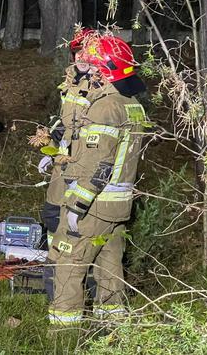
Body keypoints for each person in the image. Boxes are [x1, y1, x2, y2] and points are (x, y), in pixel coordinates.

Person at [48, 34, 147, 325]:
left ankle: (64, 335)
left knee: (68, 265)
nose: (87, 73)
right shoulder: (132, 105)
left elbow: (98, 164)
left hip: (94, 206)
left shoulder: (105, 108)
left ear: (104, 71)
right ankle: (112, 329)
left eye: (92, 68)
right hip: (118, 207)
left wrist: (77, 205)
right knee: (109, 268)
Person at [39, 29, 93, 301]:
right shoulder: (70, 81)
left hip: (83, 164)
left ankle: (78, 283)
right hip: (62, 159)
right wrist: (52, 145)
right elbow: (65, 122)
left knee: (77, 221)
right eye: (77, 52)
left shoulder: (100, 85)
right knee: (51, 213)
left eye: (87, 52)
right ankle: (54, 275)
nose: (82, 57)